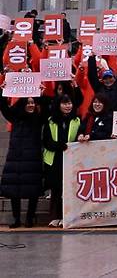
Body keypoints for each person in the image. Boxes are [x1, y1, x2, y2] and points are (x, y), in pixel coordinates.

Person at [0, 95, 47, 228]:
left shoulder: (38, 119)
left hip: (32, 159)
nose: (31, 105)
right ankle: (16, 218)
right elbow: (4, 107)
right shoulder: (15, 118)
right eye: (28, 103)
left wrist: (40, 96)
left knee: (33, 191)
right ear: (23, 104)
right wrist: (3, 90)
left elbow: (47, 110)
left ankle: (30, 218)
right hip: (15, 158)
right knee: (14, 190)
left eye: (33, 103)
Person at [42, 94, 80, 227]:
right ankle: (54, 217)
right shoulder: (51, 121)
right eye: (64, 103)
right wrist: (60, 146)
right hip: (54, 159)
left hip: (71, 159)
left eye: (69, 103)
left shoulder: (77, 120)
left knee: (68, 189)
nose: (68, 106)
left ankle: (66, 216)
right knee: (56, 188)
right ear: (58, 105)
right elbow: (46, 141)